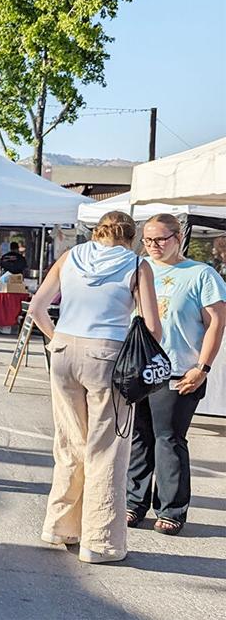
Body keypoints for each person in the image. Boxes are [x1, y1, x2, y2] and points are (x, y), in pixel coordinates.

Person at [27, 210, 161, 564]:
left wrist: (57, 340)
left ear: (97, 231)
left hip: (65, 351)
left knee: (70, 442)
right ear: (130, 236)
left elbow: (37, 307)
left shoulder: (70, 256)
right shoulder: (137, 265)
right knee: (106, 449)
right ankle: (99, 543)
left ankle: (60, 526)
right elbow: (152, 326)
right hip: (109, 355)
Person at [127, 214, 226, 535]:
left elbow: (216, 323)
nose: (153, 246)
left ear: (178, 237)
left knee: (168, 438)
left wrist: (203, 367)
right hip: (140, 367)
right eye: (147, 240)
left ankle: (171, 509)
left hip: (179, 370)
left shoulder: (202, 274)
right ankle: (133, 502)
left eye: (160, 239)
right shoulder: (139, 267)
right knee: (139, 437)